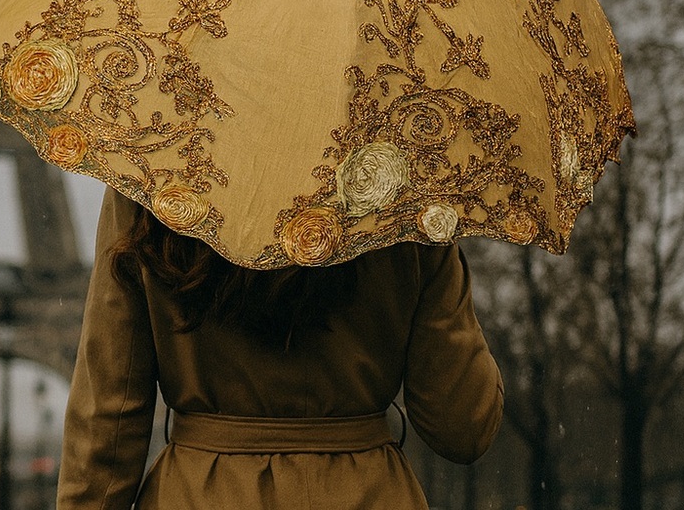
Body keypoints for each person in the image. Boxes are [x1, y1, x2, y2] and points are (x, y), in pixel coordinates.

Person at [56, 187, 504, 509]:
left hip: (199, 493)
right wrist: (442, 235)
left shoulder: (150, 170)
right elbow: (461, 426)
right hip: (367, 492)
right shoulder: (408, 184)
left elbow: (109, 415)